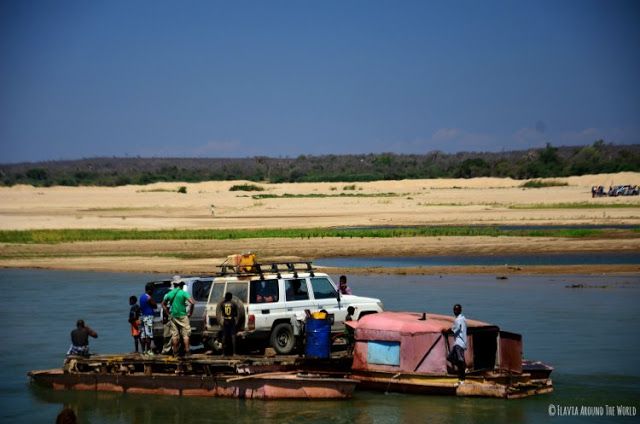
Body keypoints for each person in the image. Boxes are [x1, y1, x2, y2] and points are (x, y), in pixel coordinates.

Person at [162, 281, 195, 356]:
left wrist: (168, 313)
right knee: (185, 335)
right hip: (183, 316)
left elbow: (163, 304)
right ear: (181, 286)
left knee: (174, 335)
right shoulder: (183, 293)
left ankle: (175, 352)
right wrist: (190, 313)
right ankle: (187, 351)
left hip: (173, 316)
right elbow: (192, 302)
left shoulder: (170, 293)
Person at [446, 304, 467, 381]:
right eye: (454, 310)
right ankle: (462, 369)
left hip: (459, 342)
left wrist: (446, 331)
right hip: (459, 342)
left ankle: (462, 377)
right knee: (450, 357)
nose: (455, 311)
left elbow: (455, 329)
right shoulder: (463, 318)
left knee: (460, 359)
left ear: (460, 310)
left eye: (457, 310)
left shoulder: (458, 320)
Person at [139, 283, 157, 355]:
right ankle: (149, 351)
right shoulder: (148, 297)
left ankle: (143, 351)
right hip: (148, 317)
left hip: (143, 316)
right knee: (149, 334)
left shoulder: (141, 297)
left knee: (143, 335)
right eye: (152, 290)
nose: (153, 292)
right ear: (149, 290)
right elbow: (155, 306)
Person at [219, 292, 238, 356]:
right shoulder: (233, 303)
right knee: (233, 336)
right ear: (231, 297)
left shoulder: (222, 304)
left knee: (224, 337)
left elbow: (221, 312)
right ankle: (234, 353)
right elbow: (236, 313)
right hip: (232, 321)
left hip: (225, 321)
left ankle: (223, 353)